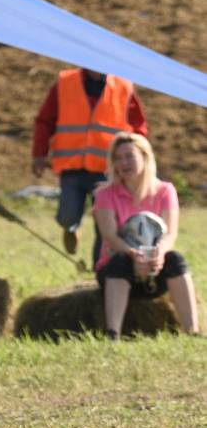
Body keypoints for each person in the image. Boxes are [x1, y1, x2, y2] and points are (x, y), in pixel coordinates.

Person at [31, 68, 147, 256]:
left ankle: (99, 267)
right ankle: (70, 228)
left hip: (107, 171)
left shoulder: (123, 87)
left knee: (105, 225)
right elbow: (45, 121)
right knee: (67, 216)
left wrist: (137, 159)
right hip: (72, 165)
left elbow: (138, 127)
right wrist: (39, 154)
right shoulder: (65, 82)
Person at [92, 133, 198, 337]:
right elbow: (110, 237)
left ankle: (192, 330)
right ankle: (112, 333)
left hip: (154, 268)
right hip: (118, 266)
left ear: (145, 157)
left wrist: (158, 255)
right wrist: (134, 256)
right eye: (118, 158)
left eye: (129, 156)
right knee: (120, 261)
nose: (123, 163)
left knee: (175, 259)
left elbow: (170, 234)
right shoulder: (104, 194)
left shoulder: (165, 191)